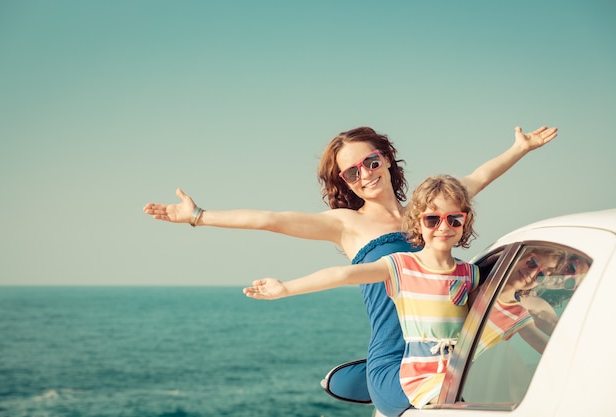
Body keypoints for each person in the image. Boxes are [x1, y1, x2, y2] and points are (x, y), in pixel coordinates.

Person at [143, 125, 558, 416]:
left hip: (446, 351)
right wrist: (198, 215)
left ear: (387, 159)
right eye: (351, 171)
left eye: (371, 161)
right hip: (398, 363)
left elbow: (475, 178)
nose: (365, 174)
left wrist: (520, 149)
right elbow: (270, 218)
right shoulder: (346, 223)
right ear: (344, 180)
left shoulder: (430, 208)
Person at [243, 175, 480, 409]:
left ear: (465, 221)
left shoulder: (470, 273)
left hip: (455, 376)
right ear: (418, 222)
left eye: (454, 219)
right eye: (432, 220)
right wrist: (285, 288)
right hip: (419, 380)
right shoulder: (401, 266)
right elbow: (343, 275)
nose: (444, 227)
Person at [475, 248, 565, 357]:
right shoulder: (473, 279)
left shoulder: (518, 315)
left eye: (540, 275)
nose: (531, 273)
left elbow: (540, 344)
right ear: (520, 255)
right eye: (532, 262)